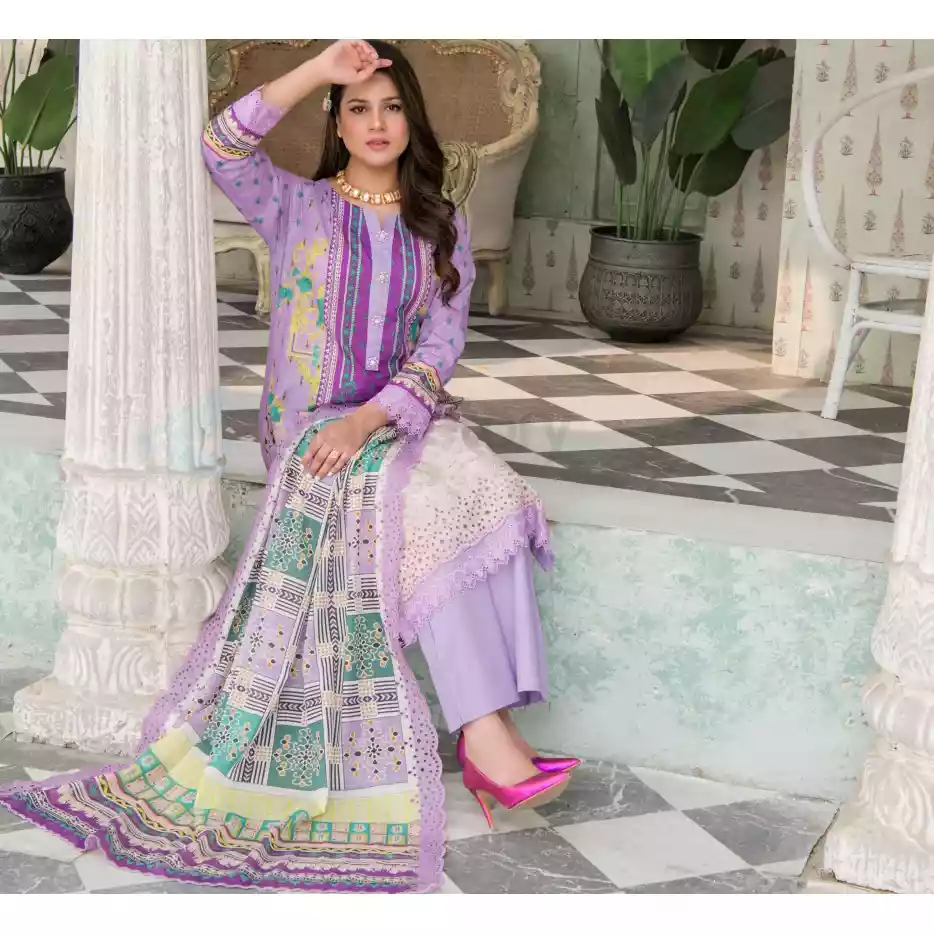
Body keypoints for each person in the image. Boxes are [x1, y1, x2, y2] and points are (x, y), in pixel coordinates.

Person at [0, 39, 578, 894]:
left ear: (412, 121)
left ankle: (492, 730)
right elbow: (220, 144)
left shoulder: (441, 224)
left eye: (391, 107)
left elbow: (441, 344)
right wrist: (317, 72)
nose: (376, 123)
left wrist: (375, 417)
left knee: (490, 494)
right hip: (311, 432)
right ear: (335, 121)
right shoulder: (297, 205)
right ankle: (487, 738)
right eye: (358, 108)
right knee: (420, 512)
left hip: (398, 416)